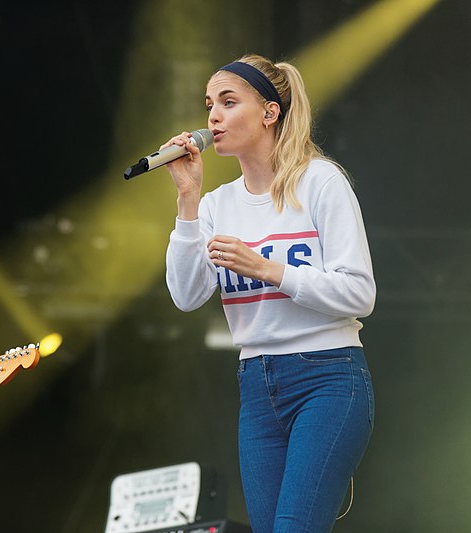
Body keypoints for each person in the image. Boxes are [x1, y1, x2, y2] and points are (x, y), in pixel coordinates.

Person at [162, 54, 376, 533]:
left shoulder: (320, 182)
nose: (212, 116)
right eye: (208, 104)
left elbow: (360, 293)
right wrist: (188, 201)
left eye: (228, 101)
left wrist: (267, 268)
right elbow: (187, 294)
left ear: (270, 112)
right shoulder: (219, 204)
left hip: (327, 376)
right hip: (257, 386)